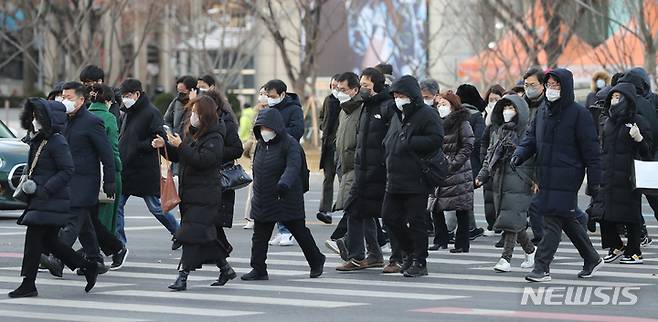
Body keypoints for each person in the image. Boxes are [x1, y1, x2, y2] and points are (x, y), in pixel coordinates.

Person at [512, 68, 603, 282]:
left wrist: (596, 183)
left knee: (551, 219)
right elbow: (531, 138)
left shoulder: (579, 114)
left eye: (556, 85)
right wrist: (519, 154)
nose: (551, 89)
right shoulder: (543, 110)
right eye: (549, 85)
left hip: (568, 176)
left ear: (566, 87)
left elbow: (591, 151)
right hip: (546, 174)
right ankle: (592, 257)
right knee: (566, 217)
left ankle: (541, 267)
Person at [9, 98, 99, 298]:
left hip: (50, 198)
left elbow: (67, 170)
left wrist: (46, 189)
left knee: (33, 241)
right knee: (50, 242)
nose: (34, 119)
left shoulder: (57, 140)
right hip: (41, 199)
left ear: (50, 118)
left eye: (38, 115)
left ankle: (28, 283)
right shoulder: (40, 139)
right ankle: (87, 266)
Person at [151, 96, 234, 291]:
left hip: (206, 196)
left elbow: (203, 161)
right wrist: (164, 147)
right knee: (205, 235)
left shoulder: (215, 136)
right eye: (192, 112)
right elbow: (182, 157)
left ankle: (183, 276)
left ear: (205, 115)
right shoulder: (192, 133)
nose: (193, 116)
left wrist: (180, 146)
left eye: (196, 113)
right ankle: (225, 268)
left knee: (189, 235)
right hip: (190, 194)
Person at [42, 81, 116, 277]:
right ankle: (95, 259)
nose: (64, 101)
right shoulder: (62, 120)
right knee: (85, 225)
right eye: (63, 97)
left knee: (73, 220)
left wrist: (110, 179)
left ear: (81, 100)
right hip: (66, 180)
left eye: (69, 98)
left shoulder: (92, 122)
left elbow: (106, 153)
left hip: (85, 181)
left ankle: (58, 258)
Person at [242, 108, 325, 281]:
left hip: (286, 196)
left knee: (299, 231)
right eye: (261, 127)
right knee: (259, 236)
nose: (264, 131)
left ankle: (316, 260)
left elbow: (293, 166)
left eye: (267, 127)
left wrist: (284, 183)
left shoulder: (290, 143)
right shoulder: (260, 145)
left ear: (276, 127)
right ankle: (258, 269)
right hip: (264, 197)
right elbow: (257, 169)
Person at [383, 75, 443, 277]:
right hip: (394, 177)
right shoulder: (395, 115)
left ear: (412, 95)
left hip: (416, 176)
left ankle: (420, 261)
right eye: (396, 95)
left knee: (416, 221)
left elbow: (436, 139)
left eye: (402, 95)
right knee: (390, 218)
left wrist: (410, 142)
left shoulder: (427, 114)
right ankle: (409, 252)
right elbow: (389, 140)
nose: (398, 99)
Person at [334, 68, 391, 271]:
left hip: (373, 169)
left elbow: (383, 140)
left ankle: (363, 255)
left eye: (366, 85)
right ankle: (372, 255)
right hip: (357, 166)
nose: (338, 92)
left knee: (360, 211)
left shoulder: (378, 106)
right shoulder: (352, 108)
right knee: (363, 212)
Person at [593, 83, 653, 264]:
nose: (614, 101)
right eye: (612, 97)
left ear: (628, 99)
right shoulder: (609, 122)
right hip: (608, 174)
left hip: (629, 176)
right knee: (602, 213)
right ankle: (616, 245)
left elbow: (648, 151)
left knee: (631, 215)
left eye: (618, 97)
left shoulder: (639, 122)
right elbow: (603, 148)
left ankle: (635, 252)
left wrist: (639, 138)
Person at [116, 78, 180, 248]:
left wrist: (139, 145)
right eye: (123, 96)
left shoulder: (151, 112)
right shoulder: (127, 112)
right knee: (117, 207)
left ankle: (179, 232)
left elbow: (158, 138)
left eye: (128, 95)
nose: (125, 99)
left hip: (144, 169)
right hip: (126, 167)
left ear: (137, 94)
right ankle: (120, 246)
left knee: (156, 207)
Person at [475, 94, 536, 272]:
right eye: (504, 108)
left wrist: (537, 179)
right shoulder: (498, 131)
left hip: (521, 178)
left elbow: (538, 157)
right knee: (512, 218)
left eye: (511, 108)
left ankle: (505, 259)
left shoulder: (528, 132)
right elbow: (490, 156)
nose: (507, 112)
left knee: (511, 217)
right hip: (500, 178)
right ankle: (531, 250)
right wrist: (482, 175)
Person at [202, 89, 243, 280]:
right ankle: (220, 252)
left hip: (221, 176)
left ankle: (221, 251)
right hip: (205, 175)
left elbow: (237, 149)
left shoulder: (225, 122)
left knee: (213, 218)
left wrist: (215, 152)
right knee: (210, 219)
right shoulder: (203, 122)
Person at [87, 84, 129, 270]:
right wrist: (118, 169)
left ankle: (93, 257)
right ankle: (114, 250)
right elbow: (113, 149)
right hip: (107, 174)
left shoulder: (82, 116)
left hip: (85, 175)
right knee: (104, 218)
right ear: (109, 101)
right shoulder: (109, 118)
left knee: (87, 219)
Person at [429, 91, 474, 253]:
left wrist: (454, 163)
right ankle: (440, 240)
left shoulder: (462, 123)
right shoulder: (435, 122)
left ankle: (462, 244)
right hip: (438, 167)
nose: (441, 107)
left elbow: (468, 146)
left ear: (453, 106)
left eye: (444, 104)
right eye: (439, 104)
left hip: (458, 171)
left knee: (461, 207)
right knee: (435, 205)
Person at [262, 79, 305, 246]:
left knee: (286, 194)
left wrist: (276, 132)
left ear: (282, 94)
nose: (269, 98)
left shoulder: (294, 109)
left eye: (272, 96)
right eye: (267, 95)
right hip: (270, 156)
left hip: (288, 156)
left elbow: (297, 130)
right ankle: (281, 230)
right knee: (274, 195)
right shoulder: (268, 109)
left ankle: (287, 231)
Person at [327, 72, 362, 248]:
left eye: (343, 89)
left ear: (355, 90)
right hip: (345, 166)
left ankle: (348, 246)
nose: (339, 92)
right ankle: (375, 247)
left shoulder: (362, 109)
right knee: (359, 210)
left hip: (357, 167)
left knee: (354, 208)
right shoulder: (344, 109)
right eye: (336, 88)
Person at [456, 84, 486, 240]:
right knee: (466, 196)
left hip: (455, 159)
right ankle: (469, 227)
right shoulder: (476, 115)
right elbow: (480, 140)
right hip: (470, 161)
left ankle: (469, 227)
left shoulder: (455, 113)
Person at [521, 67, 547, 246]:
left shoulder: (547, 106)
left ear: (542, 86)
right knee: (528, 204)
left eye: (532, 84)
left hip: (542, 160)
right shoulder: (521, 105)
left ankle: (541, 237)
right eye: (526, 84)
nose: (528, 88)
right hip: (524, 159)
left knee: (536, 204)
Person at [480, 85, 505, 236]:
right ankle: (492, 224)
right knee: (488, 196)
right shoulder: (485, 115)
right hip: (487, 159)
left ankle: (501, 225)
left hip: (499, 161)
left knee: (499, 196)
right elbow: (484, 141)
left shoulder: (503, 117)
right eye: (491, 99)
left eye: (497, 99)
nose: (493, 102)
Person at [241, 87, 268, 229]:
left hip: (270, 153)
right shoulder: (256, 112)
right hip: (256, 151)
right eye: (261, 93)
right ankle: (250, 217)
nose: (262, 96)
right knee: (254, 185)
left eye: (265, 93)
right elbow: (252, 133)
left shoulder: (274, 111)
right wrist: (250, 148)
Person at [317, 74, 341, 225]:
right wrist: (322, 127)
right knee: (328, 178)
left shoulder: (350, 102)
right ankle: (325, 210)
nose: (335, 89)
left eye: (338, 87)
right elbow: (321, 117)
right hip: (328, 146)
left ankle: (346, 210)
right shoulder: (328, 100)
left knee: (344, 180)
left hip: (342, 147)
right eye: (333, 86)